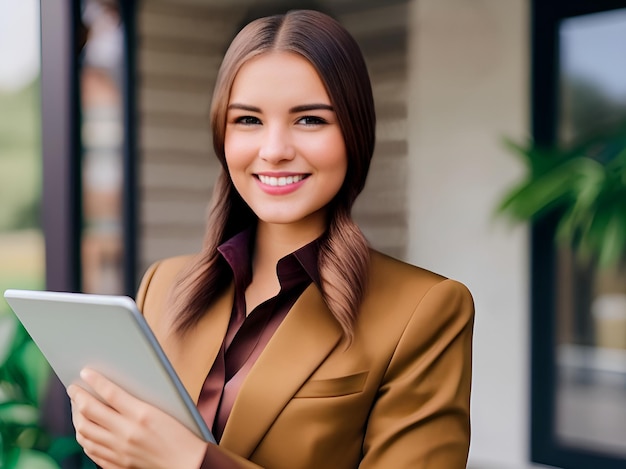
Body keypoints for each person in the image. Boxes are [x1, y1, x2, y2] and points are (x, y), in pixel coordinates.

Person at [67, 9, 474, 469]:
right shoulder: (162, 285)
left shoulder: (426, 310)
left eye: (309, 120)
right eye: (248, 120)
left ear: (354, 134)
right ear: (222, 135)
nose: (275, 150)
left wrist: (192, 462)